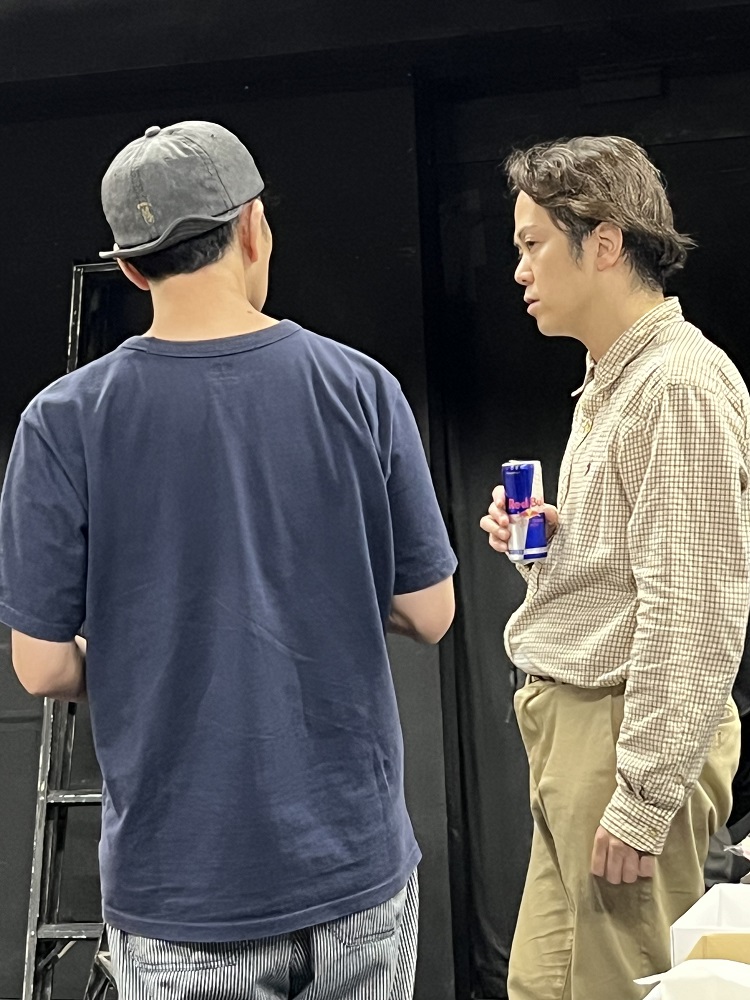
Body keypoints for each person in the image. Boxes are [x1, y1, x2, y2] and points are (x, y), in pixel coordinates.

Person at [0, 121, 456, 1000]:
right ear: (254, 228)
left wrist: (142, 649)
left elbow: (42, 667)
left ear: (132, 269)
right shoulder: (361, 387)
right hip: (353, 871)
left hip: (181, 891)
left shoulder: (61, 421)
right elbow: (430, 611)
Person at [479, 136, 750, 999]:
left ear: (602, 242)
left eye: (533, 245)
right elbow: (638, 578)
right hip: (581, 734)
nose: (520, 270)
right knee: (544, 986)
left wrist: (641, 796)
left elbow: (696, 609)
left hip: (623, 733)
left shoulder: (677, 383)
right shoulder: (612, 380)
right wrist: (552, 547)